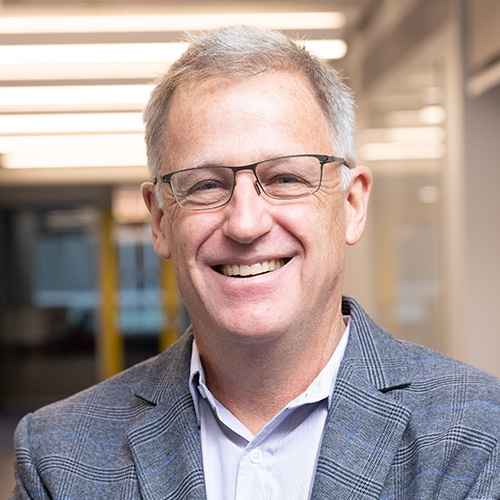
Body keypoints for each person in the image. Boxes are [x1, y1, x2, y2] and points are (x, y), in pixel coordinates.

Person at [11, 25, 500, 500]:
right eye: (206, 184)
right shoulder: (57, 455)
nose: (245, 224)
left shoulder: (478, 432)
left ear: (352, 205)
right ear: (160, 220)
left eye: (286, 177)